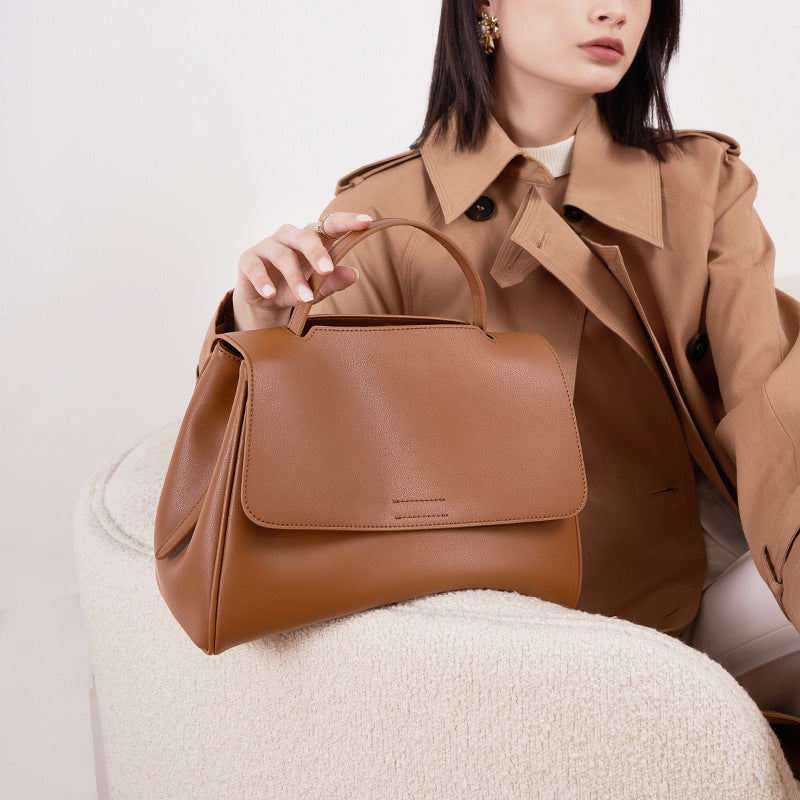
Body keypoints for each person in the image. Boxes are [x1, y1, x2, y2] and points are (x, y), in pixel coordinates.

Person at [195, 0, 800, 728]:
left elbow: (769, 410)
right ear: (486, 6)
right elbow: (297, 468)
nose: (613, 11)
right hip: (530, 644)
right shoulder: (385, 215)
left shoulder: (704, 184)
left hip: (730, 582)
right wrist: (261, 323)